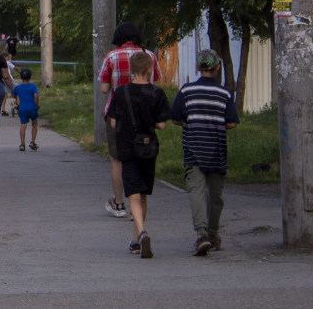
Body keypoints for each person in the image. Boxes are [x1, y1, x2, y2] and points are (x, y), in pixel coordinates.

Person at [170, 49, 239, 256]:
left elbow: (175, 118)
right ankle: (213, 235)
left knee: (197, 193)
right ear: (218, 67)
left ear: (198, 68)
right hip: (217, 150)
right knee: (216, 196)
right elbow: (232, 122)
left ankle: (201, 236)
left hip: (193, 150)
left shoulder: (186, 91)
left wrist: (193, 122)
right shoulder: (225, 93)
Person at [105, 51, 171, 259]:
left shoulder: (121, 92)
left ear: (131, 71)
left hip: (126, 148)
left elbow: (113, 122)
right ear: (151, 70)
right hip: (148, 149)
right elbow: (161, 125)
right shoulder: (157, 93)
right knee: (142, 193)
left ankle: (141, 232)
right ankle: (136, 239)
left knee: (132, 194)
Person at [99, 22, 161, 218]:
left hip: (118, 115)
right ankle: (140, 202)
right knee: (143, 154)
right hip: (145, 113)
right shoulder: (149, 56)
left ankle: (119, 204)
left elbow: (104, 89)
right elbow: (155, 84)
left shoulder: (111, 56)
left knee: (118, 158)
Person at [14, 67, 40, 151]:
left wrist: (17, 100)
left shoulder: (18, 87)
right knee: (34, 124)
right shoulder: (33, 86)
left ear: (21, 77)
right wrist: (37, 105)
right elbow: (36, 95)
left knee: (23, 126)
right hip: (32, 108)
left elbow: (13, 94)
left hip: (23, 109)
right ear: (30, 77)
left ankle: (22, 144)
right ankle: (32, 141)